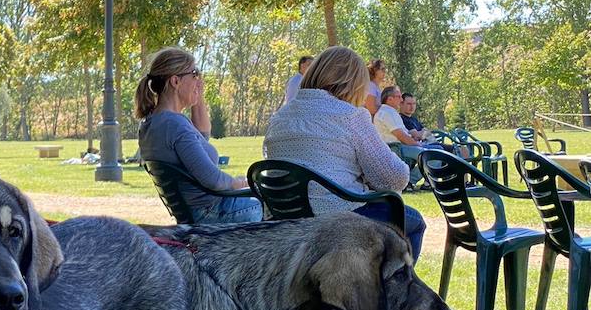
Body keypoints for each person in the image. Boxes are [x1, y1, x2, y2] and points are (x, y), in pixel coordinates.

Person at [264, 46, 425, 260]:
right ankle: (392, 292)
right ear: (354, 84)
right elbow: (395, 178)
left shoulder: (279, 118)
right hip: (337, 221)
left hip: (285, 223)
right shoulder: (350, 116)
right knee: (414, 222)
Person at [135, 47, 262, 225]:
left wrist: (197, 95)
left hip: (194, 212)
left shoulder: (154, 123)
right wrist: (241, 183)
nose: (199, 80)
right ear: (175, 81)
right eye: (194, 74)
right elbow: (214, 180)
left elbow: (202, 136)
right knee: (275, 203)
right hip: (212, 214)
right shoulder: (174, 125)